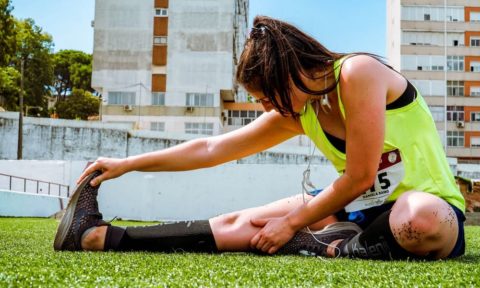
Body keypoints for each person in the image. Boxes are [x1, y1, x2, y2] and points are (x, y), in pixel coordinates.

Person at [54, 15, 465, 260]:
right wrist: (128, 164)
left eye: (268, 96)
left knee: (418, 219)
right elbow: (213, 148)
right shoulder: (299, 111)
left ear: (289, 72)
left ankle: (335, 247)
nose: (268, 108)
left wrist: (291, 223)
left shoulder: (358, 73)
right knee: (245, 224)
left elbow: (359, 176)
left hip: (428, 209)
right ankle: (99, 236)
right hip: (357, 212)